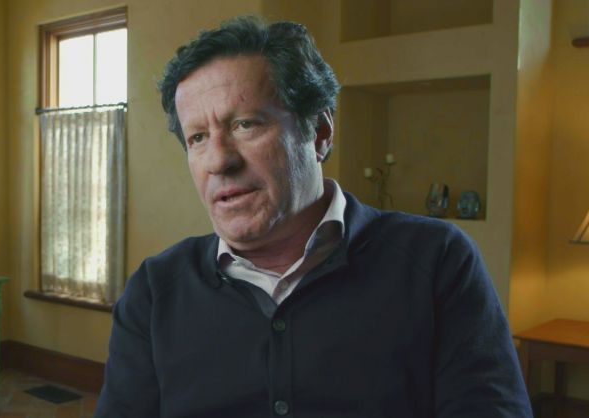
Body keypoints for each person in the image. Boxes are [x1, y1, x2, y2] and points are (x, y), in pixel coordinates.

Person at [94, 16, 532, 418]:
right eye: (198, 138)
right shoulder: (155, 290)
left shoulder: (438, 261)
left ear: (319, 132)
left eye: (246, 124)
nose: (219, 160)